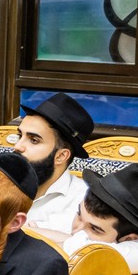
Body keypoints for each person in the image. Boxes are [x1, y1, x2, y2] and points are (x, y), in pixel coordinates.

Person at [17, 93, 94, 242]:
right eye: (20, 136)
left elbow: (95, 249)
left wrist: (31, 234)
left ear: (61, 156)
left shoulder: (85, 202)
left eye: (34, 140)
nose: (18, 146)